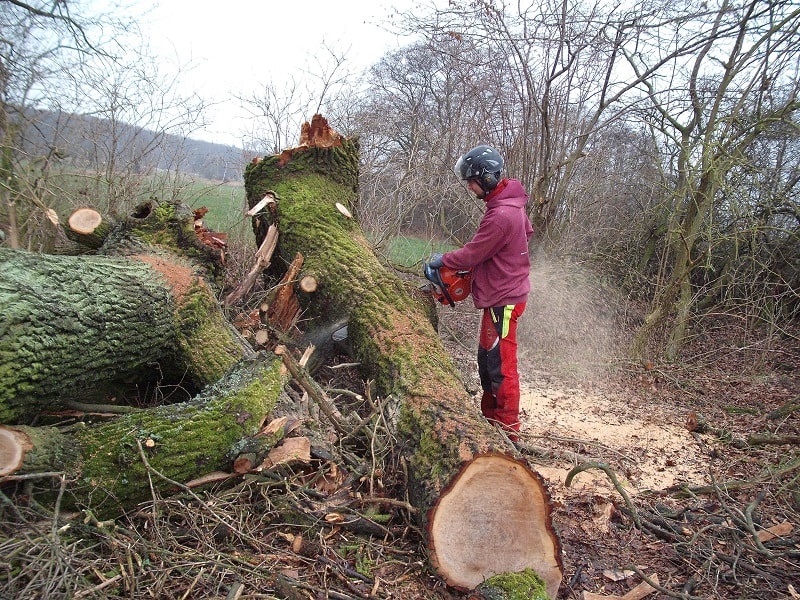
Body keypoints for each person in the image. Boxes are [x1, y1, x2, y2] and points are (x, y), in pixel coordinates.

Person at [428, 144, 533, 442]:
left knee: (501, 365)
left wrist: (444, 260)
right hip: (501, 294)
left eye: (472, 181)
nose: (470, 187)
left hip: (506, 298)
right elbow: (518, 238)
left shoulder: (502, 214)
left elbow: (473, 253)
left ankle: (507, 431)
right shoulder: (509, 205)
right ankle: (490, 421)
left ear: (485, 179)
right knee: (487, 361)